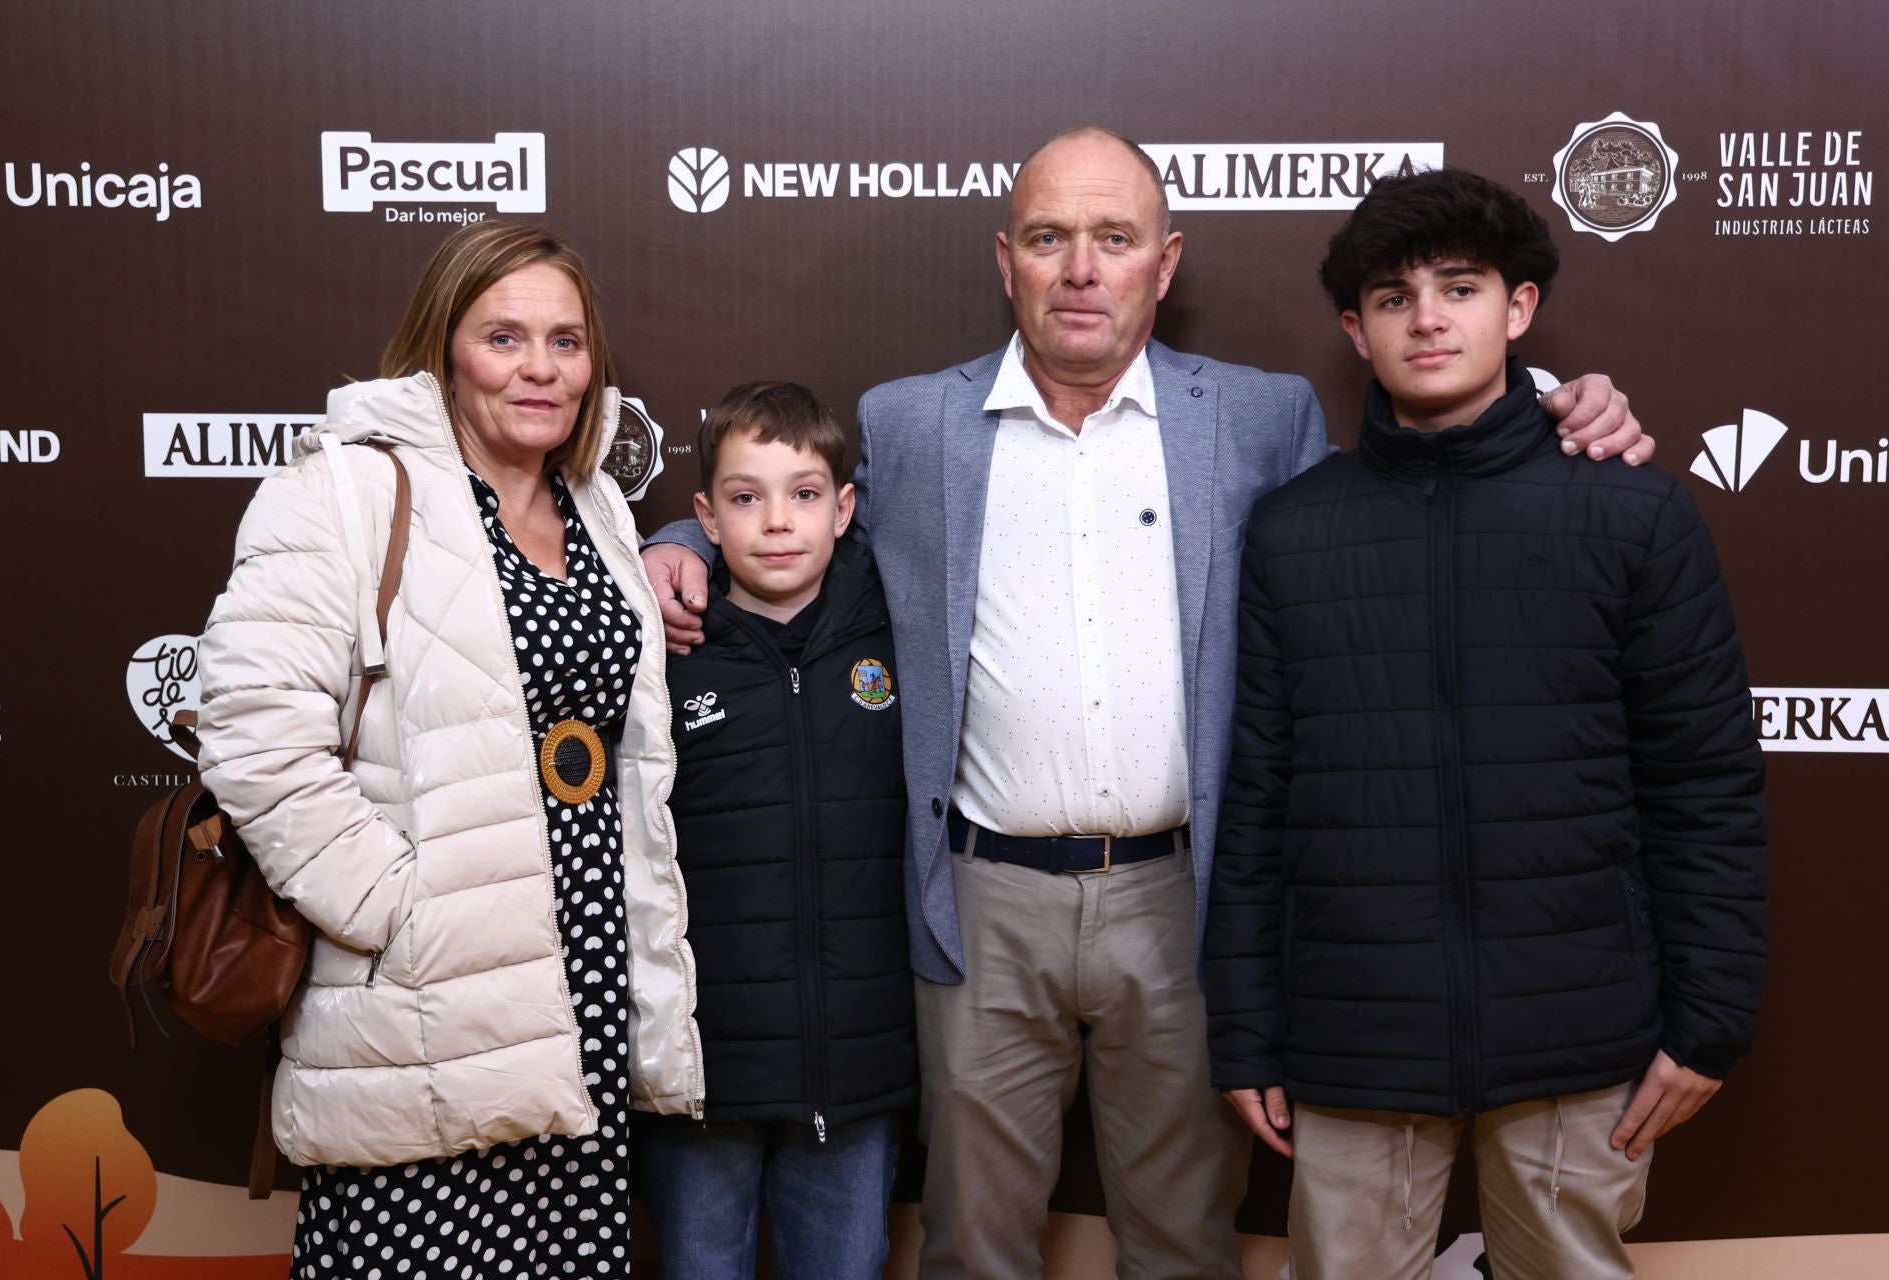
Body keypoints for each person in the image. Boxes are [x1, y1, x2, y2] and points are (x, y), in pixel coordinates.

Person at [642, 128, 1656, 1279]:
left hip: (1185, 896)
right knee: (972, 1238)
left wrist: (1555, 401)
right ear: (1005, 260)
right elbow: (795, 514)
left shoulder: (1259, 418)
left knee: (1182, 1239)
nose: (1081, 268)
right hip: (979, 904)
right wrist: (679, 543)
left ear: (1163, 265)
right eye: (1049, 238)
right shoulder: (914, 423)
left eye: (1113, 239)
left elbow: (1406, 485)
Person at [1204, 168, 1766, 1279]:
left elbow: (1704, 780)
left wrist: (1710, 1019)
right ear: (1355, 332)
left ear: (1517, 309)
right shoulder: (1292, 531)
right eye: (1392, 297)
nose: (1427, 318)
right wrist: (1245, 1025)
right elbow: (1261, 791)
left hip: (1583, 1030)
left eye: (1459, 287)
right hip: (1358, 1034)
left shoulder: (1634, 511)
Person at [196, 221, 702, 1279]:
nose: (541, 368)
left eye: (567, 341)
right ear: (443, 345)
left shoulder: (598, 503)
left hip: (581, 983)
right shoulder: (346, 491)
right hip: (422, 987)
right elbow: (250, 726)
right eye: (505, 337)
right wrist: (391, 907)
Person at [634, 381, 916, 1279]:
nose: (777, 523)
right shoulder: (665, 651)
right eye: (745, 497)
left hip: (856, 1058)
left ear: (844, 509)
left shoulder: (897, 625)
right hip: (702, 1069)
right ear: (705, 518)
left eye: (803, 495)